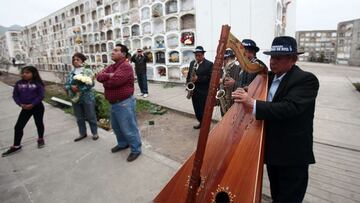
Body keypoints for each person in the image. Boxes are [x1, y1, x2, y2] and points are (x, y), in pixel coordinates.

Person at [232, 36, 319, 202]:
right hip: (272, 151)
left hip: (292, 154)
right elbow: (261, 95)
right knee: (276, 194)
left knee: (289, 197)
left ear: (293, 59)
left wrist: (252, 103)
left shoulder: (306, 80)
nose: (273, 62)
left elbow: (290, 107)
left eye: (278, 58)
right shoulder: (268, 77)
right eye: (272, 57)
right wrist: (244, 91)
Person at [96, 44, 142, 162]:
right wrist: (109, 76)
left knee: (129, 128)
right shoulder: (111, 67)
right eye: (113, 50)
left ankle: (136, 150)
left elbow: (114, 82)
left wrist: (106, 81)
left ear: (123, 54)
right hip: (113, 103)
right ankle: (123, 144)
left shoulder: (126, 66)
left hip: (124, 103)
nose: (112, 52)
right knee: (117, 128)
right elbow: (99, 76)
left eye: (116, 50)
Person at [2, 66, 45, 157]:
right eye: (23, 72)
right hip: (25, 108)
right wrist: (20, 104)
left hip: (37, 107)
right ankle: (16, 145)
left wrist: (33, 104)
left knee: (39, 123)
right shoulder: (19, 83)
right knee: (18, 126)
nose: (24, 74)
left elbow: (41, 96)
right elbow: (15, 95)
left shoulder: (38, 83)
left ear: (33, 74)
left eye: (27, 72)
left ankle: (40, 139)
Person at [64, 53, 99, 142]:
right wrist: (71, 87)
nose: (75, 61)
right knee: (79, 117)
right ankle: (82, 133)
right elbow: (66, 85)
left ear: (82, 61)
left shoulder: (87, 71)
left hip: (87, 97)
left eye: (77, 59)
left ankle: (94, 133)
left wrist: (79, 89)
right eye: (74, 60)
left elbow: (91, 84)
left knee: (91, 116)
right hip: (75, 98)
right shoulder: (71, 73)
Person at [186, 46, 213, 129]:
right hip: (194, 92)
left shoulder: (209, 64)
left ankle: (205, 126)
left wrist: (198, 78)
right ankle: (201, 122)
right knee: (197, 109)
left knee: (203, 110)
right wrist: (187, 84)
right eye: (196, 55)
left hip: (203, 92)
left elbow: (210, 78)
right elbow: (189, 75)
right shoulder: (192, 63)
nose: (197, 57)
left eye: (199, 55)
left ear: (203, 54)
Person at [218, 49, 241, 116]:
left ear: (228, 58)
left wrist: (223, 81)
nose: (222, 61)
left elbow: (237, 82)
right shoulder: (223, 69)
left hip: (231, 99)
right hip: (223, 98)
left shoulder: (237, 68)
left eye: (223, 59)